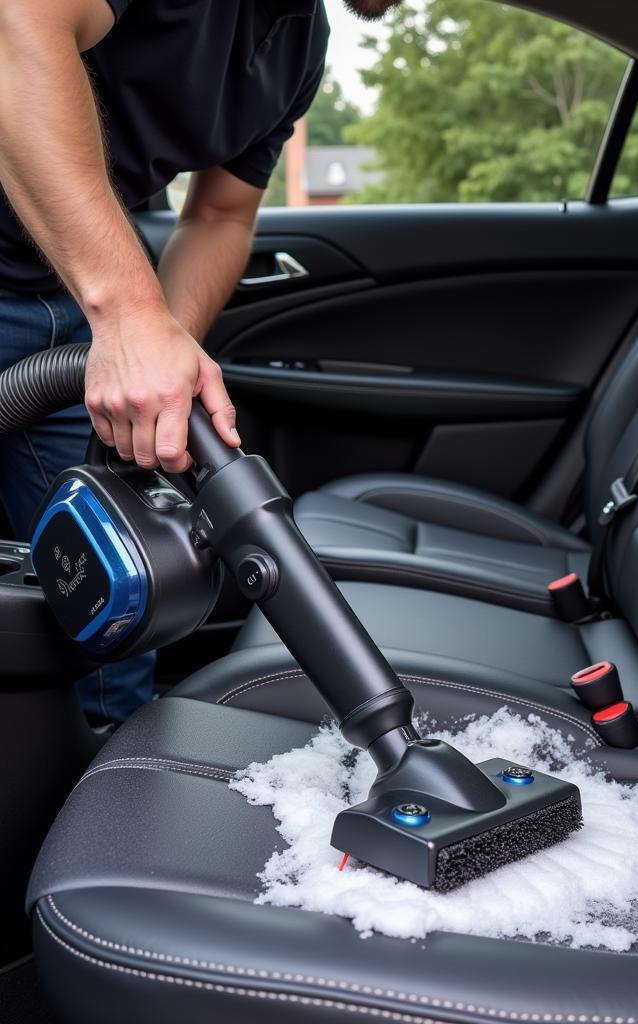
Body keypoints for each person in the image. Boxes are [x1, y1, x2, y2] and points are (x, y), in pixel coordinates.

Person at [0, 0, 398, 722]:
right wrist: (127, 312)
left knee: (120, 611)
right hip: (82, 295)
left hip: (68, 300)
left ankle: (101, 818)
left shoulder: (300, 43)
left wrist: (158, 350)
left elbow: (220, 215)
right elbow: (19, 22)